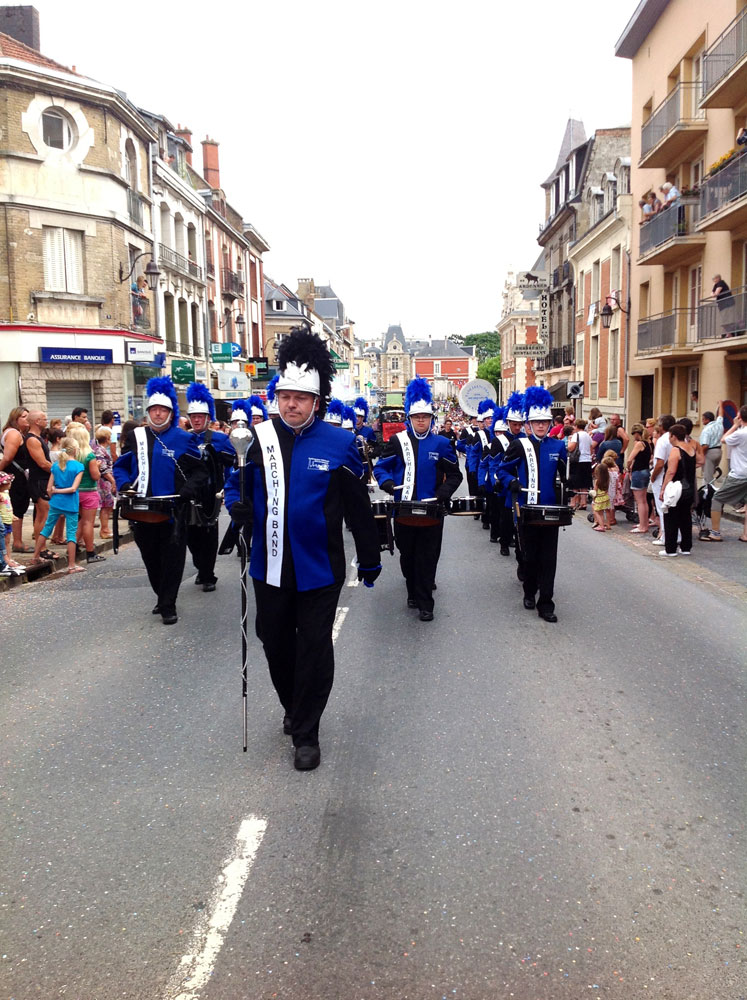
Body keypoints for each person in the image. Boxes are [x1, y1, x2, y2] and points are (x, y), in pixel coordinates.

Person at [226, 328, 380, 771]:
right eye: (285, 395)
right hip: (268, 564)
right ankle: (292, 704)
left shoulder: (339, 444)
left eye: (300, 397)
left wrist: (368, 558)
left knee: (315, 646)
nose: (291, 404)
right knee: (273, 641)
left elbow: (358, 508)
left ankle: (307, 732)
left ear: (317, 401)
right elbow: (237, 489)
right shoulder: (256, 439)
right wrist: (238, 507)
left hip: (320, 569)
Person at [113, 376, 207, 624]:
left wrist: (188, 489)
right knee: (151, 558)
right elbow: (120, 466)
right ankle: (162, 595)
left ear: (171, 413)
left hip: (173, 511)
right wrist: (124, 484)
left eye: (162, 410)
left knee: (173, 559)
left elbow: (200, 472)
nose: (157, 414)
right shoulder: (137, 436)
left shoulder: (185, 439)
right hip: (142, 509)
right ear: (148, 412)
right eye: (153, 410)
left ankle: (168, 604)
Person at [374, 376, 462, 621]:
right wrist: (388, 483)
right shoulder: (396, 442)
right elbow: (380, 467)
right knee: (407, 555)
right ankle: (412, 590)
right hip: (403, 510)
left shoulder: (443, 444)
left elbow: (455, 475)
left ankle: (426, 603)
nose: (421, 420)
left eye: (425, 417)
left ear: (432, 419)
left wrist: (443, 493)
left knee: (427, 556)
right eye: (416, 417)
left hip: (431, 511)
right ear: (409, 419)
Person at [497, 387, 568, 623]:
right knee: (529, 556)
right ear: (529, 423)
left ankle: (546, 603)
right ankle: (529, 590)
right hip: (526, 510)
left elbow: (565, 476)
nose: (541, 426)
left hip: (550, 512)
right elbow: (502, 471)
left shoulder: (557, 447)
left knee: (549, 559)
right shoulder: (519, 445)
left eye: (545, 422)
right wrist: (512, 482)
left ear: (549, 424)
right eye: (536, 422)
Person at [184, 381, 235, 592]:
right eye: (193, 417)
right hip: (188, 493)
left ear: (208, 418)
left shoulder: (221, 438)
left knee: (208, 534)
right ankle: (200, 566)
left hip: (210, 493)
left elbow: (232, 460)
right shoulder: (183, 438)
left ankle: (207, 574)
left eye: (200, 417)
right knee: (190, 536)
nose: (196, 420)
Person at [30, 436, 85, 573]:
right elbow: (73, 488)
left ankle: (35, 556)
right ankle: (71, 565)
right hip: (71, 502)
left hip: (56, 502)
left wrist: (54, 494)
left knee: (46, 529)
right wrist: (60, 491)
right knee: (71, 533)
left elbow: (49, 488)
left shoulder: (55, 466)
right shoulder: (78, 466)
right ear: (76, 450)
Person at [707, 403, 747, 543]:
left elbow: (723, 439)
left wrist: (735, 425)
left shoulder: (740, 433)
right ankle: (746, 534)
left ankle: (715, 532)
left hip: (739, 473)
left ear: (740, 417)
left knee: (717, 498)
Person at [65, 422, 104, 564]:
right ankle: (90, 552)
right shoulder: (89, 455)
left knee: (77, 522)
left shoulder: (67, 456)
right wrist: (98, 468)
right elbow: (95, 476)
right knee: (88, 522)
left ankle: (72, 548)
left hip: (73, 491)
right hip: (88, 491)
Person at [659, 423, 696, 556]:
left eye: (670, 435)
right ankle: (686, 547)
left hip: (677, 488)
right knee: (685, 517)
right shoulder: (691, 448)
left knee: (671, 517)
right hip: (689, 488)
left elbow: (671, 471)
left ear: (673, 436)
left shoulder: (676, 450)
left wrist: (663, 488)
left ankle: (670, 548)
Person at [0, 407, 31, 552]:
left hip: (17, 475)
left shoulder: (17, 433)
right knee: (17, 507)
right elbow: (7, 457)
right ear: (16, 419)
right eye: (24, 416)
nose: (27, 419)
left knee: (19, 507)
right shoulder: (13, 434)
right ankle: (17, 542)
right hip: (16, 477)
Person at [25, 410, 53, 553]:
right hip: (39, 481)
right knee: (43, 514)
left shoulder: (38, 438)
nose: (46, 421)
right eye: (44, 419)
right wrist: (59, 471)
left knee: (43, 514)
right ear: (37, 421)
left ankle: (41, 547)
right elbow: (42, 463)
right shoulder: (32, 439)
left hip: (43, 480)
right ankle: (41, 549)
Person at [625, 423, 651, 533]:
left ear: (637, 433)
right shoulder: (648, 444)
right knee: (644, 500)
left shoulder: (639, 444)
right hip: (646, 471)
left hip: (638, 472)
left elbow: (630, 458)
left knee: (639, 501)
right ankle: (644, 523)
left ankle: (642, 526)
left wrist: (628, 468)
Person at [0, 473, 26, 576]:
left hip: (7, 520)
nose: (10, 484)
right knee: (4, 541)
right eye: (8, 482)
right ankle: (6, 559)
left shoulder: (6, 494)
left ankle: (8, 559)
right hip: (3, 521)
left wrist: (12, 515)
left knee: (7, 542)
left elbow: (7, 507)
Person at [93, 427, 116, 538]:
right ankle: (104, 529)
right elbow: (103, 469)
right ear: (107, 438)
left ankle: (105, 528)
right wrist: (112, 481)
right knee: (106, 505)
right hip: (104, 482)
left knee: (108, 505)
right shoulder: (100, 450)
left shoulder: (101, 450)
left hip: (105, 481)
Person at [567, 417, 593, 510]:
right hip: (587, 460)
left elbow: (571, 448)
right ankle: (583, 502)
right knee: (584, 483)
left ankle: (573, 502)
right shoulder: (588, 435)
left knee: (575, 482)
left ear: (577, 426)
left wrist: (569, 440)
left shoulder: (575, 435)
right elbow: (591, 448)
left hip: (578, 460)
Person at [698, 404, 724, 490]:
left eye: (703, 419)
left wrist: (700, 455)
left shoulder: (706, 430)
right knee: (710, 473)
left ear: (707, 419)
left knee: (707, 477)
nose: (702, 421)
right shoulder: (719, 424)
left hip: (710, 453)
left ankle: (708, 494)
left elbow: (705, 445)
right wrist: (721, 404)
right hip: (719, 451)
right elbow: (720, 415)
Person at [591, 459, 611, 532]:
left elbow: (595, 491)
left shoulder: (597, 481)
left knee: (596, 511)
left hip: (599, 498)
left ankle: (601, 526)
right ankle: (605, 524)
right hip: (605, 497)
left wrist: (593, 497)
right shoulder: (607, 479)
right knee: (602, 512)